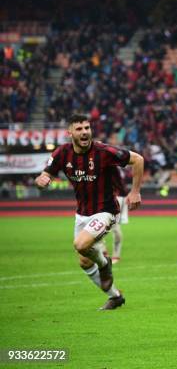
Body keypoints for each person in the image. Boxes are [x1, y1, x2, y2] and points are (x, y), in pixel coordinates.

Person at [35, 113, 143, 310]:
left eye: (87, 128)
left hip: (106, 211)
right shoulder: (62, 153)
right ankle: (115, 296)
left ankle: (104, 264)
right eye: (79, 129)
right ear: (70, 133)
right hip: (82, 214)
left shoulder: (103, 151)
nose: (85, 132)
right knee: (84, 261)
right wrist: (41, 180)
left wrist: (135, 191)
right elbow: (45, 174)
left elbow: (138, 159)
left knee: (80, 244)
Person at [110, 166, 129, 264]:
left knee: (115, 227)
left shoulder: (117, 168)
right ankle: (103, 251)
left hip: (118, 198)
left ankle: (115, 255)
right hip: (107, 197)